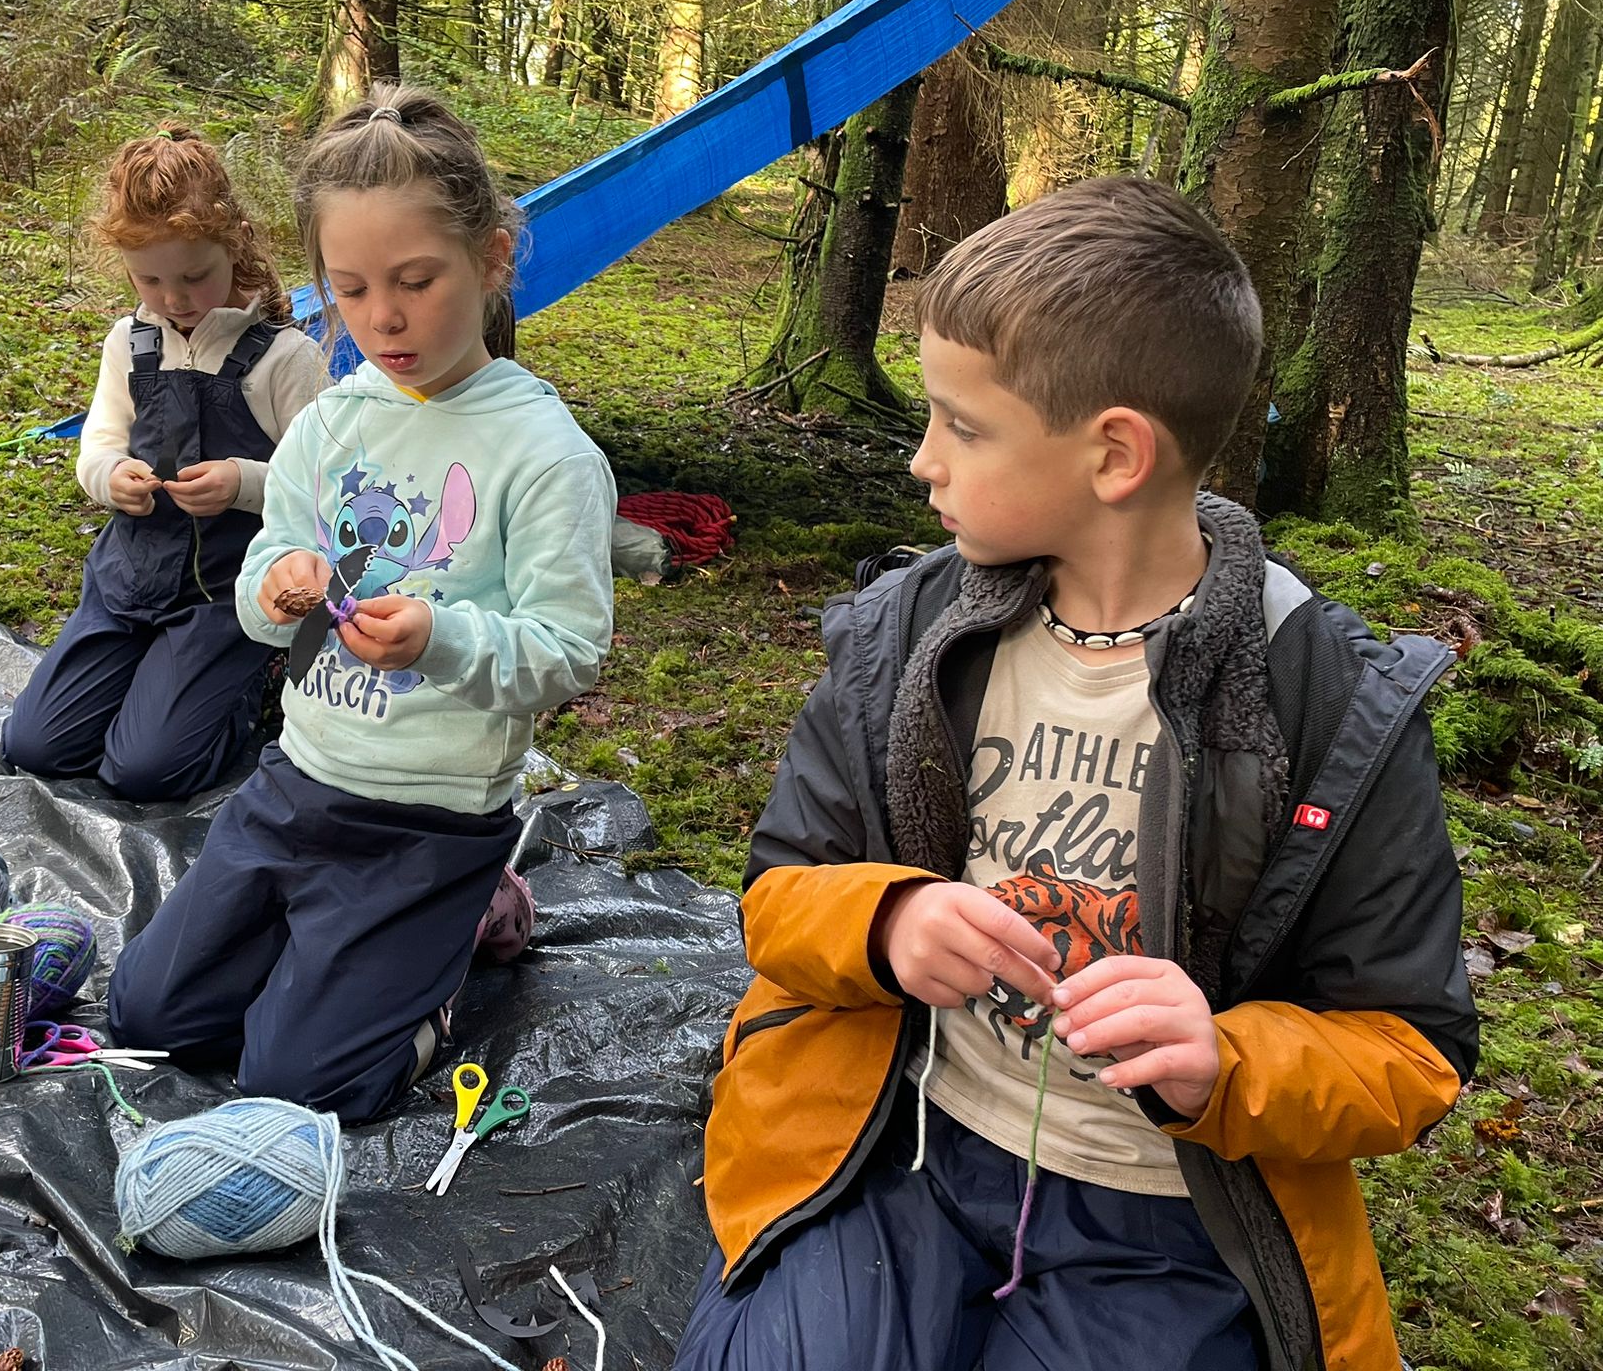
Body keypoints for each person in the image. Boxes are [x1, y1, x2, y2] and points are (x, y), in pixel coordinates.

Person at [676, 176, 1477, 1371]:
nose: (920, 463)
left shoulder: (1328, 703)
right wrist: (887, 921)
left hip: (1164, 1224)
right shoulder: (909, 633)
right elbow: (779, 892)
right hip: (897, 1145)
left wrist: (1224, 1058)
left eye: (962, 425)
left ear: (1112, 453)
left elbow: (1409, 1051)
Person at [106, 86, 615, 1121]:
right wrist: (277, 588)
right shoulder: (331, 424)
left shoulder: (542, 452)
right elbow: (260, 592)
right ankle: (341, 957)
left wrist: (440, 635)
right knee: (147, 1013)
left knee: (301, 1083)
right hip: (296, 786)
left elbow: (568, 650)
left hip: (431, 822)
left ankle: (464, 926)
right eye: (348, 289)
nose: (382, 316)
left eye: (416, 281)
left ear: (493, 260)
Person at [0, 126, 327, 803]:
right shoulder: (130, 341)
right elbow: (98, 443)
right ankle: (150, 674)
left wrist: (244, 482)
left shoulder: (285, 358)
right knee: (35, 748)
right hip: (127, 583)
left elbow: (326, 490)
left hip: (225, 596)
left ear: (234, 243)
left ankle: (258, 678)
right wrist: (110, 478)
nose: (173, 298)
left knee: (146, 771)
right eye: (148, 279)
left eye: (194, 276)